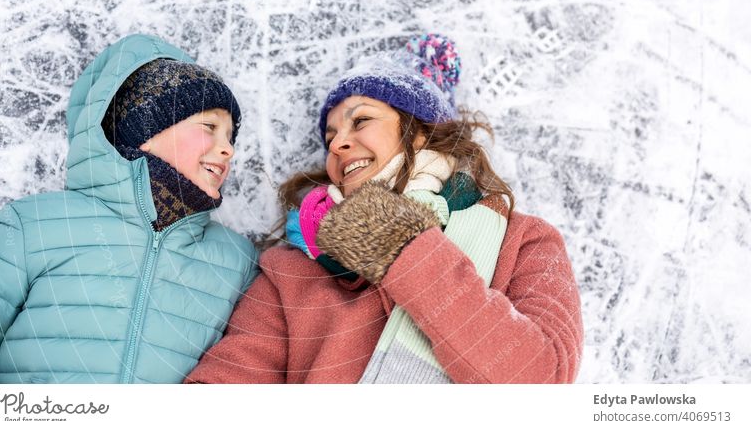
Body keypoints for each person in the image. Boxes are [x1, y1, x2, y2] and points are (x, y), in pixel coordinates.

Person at [185, 33, 583, 384]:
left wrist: (403, 246)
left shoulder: (524, 243)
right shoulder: (293, 269)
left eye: (360, 122)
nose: (338, 144)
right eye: (331, 136)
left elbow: (539, 379)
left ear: (419, 131)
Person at [0, 34, 258, 383]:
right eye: (210, 128)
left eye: (231, 137)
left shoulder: (236, 260)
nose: (228, 149)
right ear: (147, 129)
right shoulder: (37, 224)